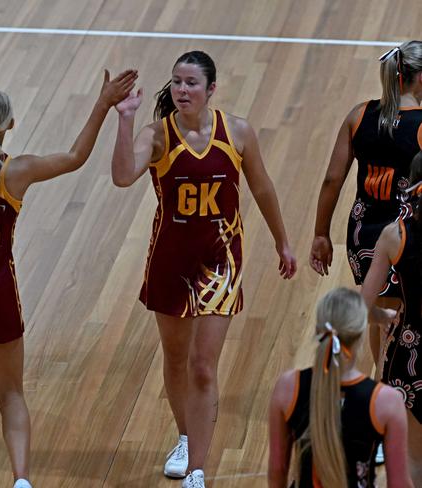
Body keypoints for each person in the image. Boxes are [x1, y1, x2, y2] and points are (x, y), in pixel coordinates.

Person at [0, 70, 138, 488]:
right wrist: (103, 104)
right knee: (11, 394)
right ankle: (21, 479)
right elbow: (75, 157)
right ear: (11, 125)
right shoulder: (20, 171)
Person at [110, 50, 296, 488]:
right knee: (175, 360)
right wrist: (123, 120)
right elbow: (121, 177)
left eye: (191, 83)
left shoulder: (239, 133)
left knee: (202, 365)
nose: (181, 90)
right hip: (170, 262)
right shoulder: (157, 135)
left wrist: (282, 240)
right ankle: (185, 435)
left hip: (220, 263)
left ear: (211, 89)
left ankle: (197, 468)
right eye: (176, 82)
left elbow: (263, 188)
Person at [309, 40, 422, 365]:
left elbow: (333, 180)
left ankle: (381, 378)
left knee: (383, 313)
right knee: (399, 318)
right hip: (402, 234)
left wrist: (321, 233)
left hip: (361, 234)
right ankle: (386, 389)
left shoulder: (359, 115)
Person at [268, 287, 412, 488]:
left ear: (318, 331)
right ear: (360, 335)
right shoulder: (386, 400)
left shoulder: (287, 387)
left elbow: (277, 470)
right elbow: (399, 484)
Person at [362, 151, 422, 486]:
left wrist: (381, 314)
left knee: (413, 459)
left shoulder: (393, 235)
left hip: (409, 356)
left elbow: (359, 308)